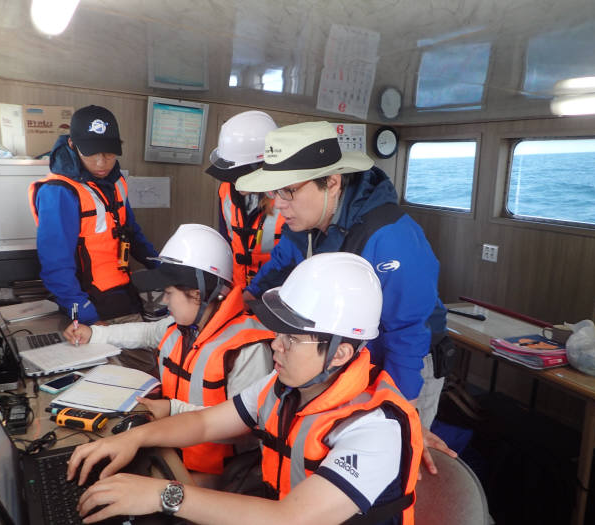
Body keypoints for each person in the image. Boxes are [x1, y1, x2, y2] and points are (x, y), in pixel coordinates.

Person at [67, 252, 423, 525]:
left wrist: (165, 494)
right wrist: (133, 438)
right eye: (277, 334)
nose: (275, 347)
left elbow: (289, 519)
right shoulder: (282, 387)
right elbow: (206, 424)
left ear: (340, 353)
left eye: (291, 339)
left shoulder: (376, 430)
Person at [235, 120, 455, 472]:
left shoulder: (391, 238)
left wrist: (402, 414)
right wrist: (245, 296)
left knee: (392, 460)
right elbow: (281, 262)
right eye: (275, 192)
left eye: (288, 191)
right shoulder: (305, 224)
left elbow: (407, 334)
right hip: (347, 357)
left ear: (332, 182)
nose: (278, 206)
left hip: (406, 362)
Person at [65, 224, 274, 485]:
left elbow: (245, 430)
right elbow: (146, 332)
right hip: (173, 447)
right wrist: (94, 334)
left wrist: (173, 411)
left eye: (169, 294)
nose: (164, 302)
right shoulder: (182, 326)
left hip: (220, 471)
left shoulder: (247, 349)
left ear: (197, 295)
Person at [29, 105, 158, 324]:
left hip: (122, 293)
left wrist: (162, 266)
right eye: (91, 154)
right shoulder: (59, 192)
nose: (101, 163)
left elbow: (132, 234)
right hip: (87, 302)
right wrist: (83, 313)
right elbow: (55, 264)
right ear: (72, 145)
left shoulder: (116, 183)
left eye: (109, 154)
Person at [206, 110, 285, 289]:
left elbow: (292, 255)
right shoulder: (226, 189)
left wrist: (256, 291)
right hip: (239, 290)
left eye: (239, 176)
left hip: (274, 293)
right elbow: (226, 241)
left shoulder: (287, 197)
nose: (234, 182)